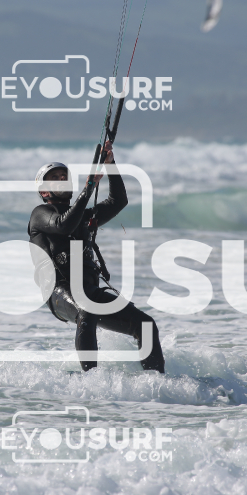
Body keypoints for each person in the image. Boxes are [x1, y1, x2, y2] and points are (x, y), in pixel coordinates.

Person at [27, 141, 165, 373]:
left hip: (89, 291)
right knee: (87, 310)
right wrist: (89, 187)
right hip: (58, 292)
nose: (62, 179)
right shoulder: (40, 214)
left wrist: (110, 164)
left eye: (64, 176)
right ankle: (91, 380)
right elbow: (62, 225)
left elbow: (118, 201)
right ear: (44, 192)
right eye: (55, 178)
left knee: (145, 325)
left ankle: (157, 381)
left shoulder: (84, 216)